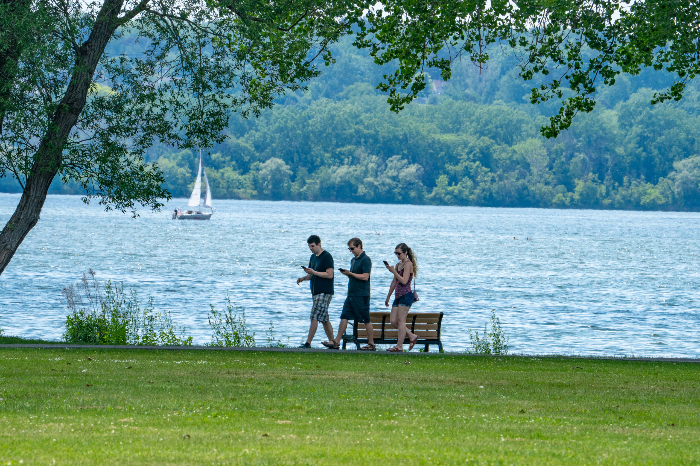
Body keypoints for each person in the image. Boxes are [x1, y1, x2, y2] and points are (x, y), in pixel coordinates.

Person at [323, 237, 376, 351]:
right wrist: (348, 274)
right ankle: (336, 341)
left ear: (359, 246)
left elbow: (365, 276)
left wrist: (350, 274)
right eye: (349, 249)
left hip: (361, 295)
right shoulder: (353, 260)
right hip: (351, 294)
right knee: (344, 316)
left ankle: (371, 343)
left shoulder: (365, 259)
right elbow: (355, 275)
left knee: (365, 319)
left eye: (352, 248)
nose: (351, 251)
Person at [296, 235, 335, 348]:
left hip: (324, 291)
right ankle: (333, 342)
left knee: (314, 316)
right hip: (315, 291)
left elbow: (329, 274)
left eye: (312, 246)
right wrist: (304, 278)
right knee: (323, 318)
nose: (311, 248)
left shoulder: (326, 256)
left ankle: (308, 343)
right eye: (309, 246)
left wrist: (314, 272)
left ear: (319, 244)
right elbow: (311, 274)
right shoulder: (313, 257)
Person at [384, 243, 419, 352]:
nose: (397, 255)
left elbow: (404, 281)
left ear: (405, 253)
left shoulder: (408, 264)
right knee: (393, 321)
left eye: (399, 253)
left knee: (401, 321)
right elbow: (394, 282)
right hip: (398, 296)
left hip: (406, 295)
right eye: (396, 253)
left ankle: (399, 346)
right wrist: (388, 296)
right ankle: (411, 336)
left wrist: (393, 271)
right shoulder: (398, 264)